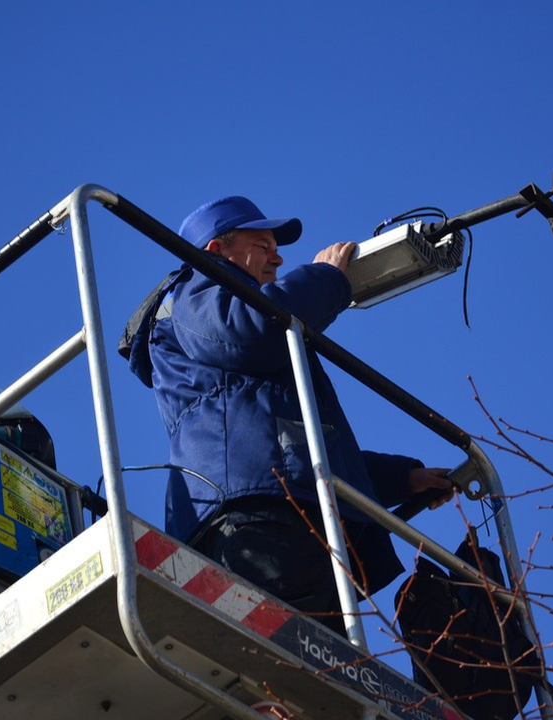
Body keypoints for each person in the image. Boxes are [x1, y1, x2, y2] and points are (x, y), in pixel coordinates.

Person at [123, 195, 451, 632]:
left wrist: (399, 478)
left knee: (299, 678)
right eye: (262, 245)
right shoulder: (198, 285)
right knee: (287, 672)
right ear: (216, 250)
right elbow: (253, 333)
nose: (277, 258)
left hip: (272, 512)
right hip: (254, 517)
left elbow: (294, 445)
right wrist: (326, 279)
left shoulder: (239, 356)